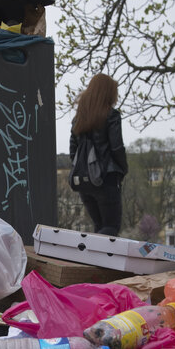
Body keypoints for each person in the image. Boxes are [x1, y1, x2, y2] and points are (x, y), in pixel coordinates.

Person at [69, 73, 128, 236]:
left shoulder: (78, 119)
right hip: (106, 178)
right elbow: (117, 147)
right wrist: (123, 169)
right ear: (108, 93)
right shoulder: (111, 115)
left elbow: (73, 152)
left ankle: (92, 253)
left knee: (99, 226)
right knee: (111, 227)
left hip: (84, 182)